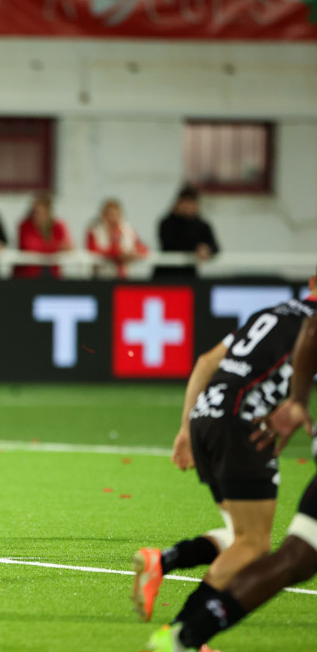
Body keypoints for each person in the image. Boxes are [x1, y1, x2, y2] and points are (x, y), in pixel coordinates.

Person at [135, 271, 317, 650]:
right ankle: (182, 634)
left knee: (241, 536)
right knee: (253, 545)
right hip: (242, 424)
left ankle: (164, 562)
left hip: (206, 418)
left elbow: (205, 361)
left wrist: (186, 427)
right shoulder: (309, 322)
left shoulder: (271, 314)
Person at [155, 185, 220, 279]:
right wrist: (175, 215)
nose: (189, 207)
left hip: (189, 275)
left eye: (192, 203)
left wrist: (206, 249)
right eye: (186, 203)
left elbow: (215, 247)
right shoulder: (167, 223)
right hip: (165, 274)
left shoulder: (202, 225)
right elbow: (169, 243)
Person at [85, 198, 148, 279]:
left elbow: (143, 248)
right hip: (101, 275)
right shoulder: (95, 230)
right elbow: (92, 250)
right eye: (110, 215)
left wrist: (134, 253)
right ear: (103, 215)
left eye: (116, 215)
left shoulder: (127, 229)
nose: (113, 218)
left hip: (124, 276)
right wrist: (117, 252)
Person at [14, 194, 72, 279]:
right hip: (27, 274)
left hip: (52, 274)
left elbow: (67, 246)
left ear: (48, 212)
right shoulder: (25, 225)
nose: (36, 216)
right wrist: (56, 246)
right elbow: (29, 247)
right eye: (34, 212)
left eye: (40, 212)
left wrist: (47, 246)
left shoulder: (58, 225)